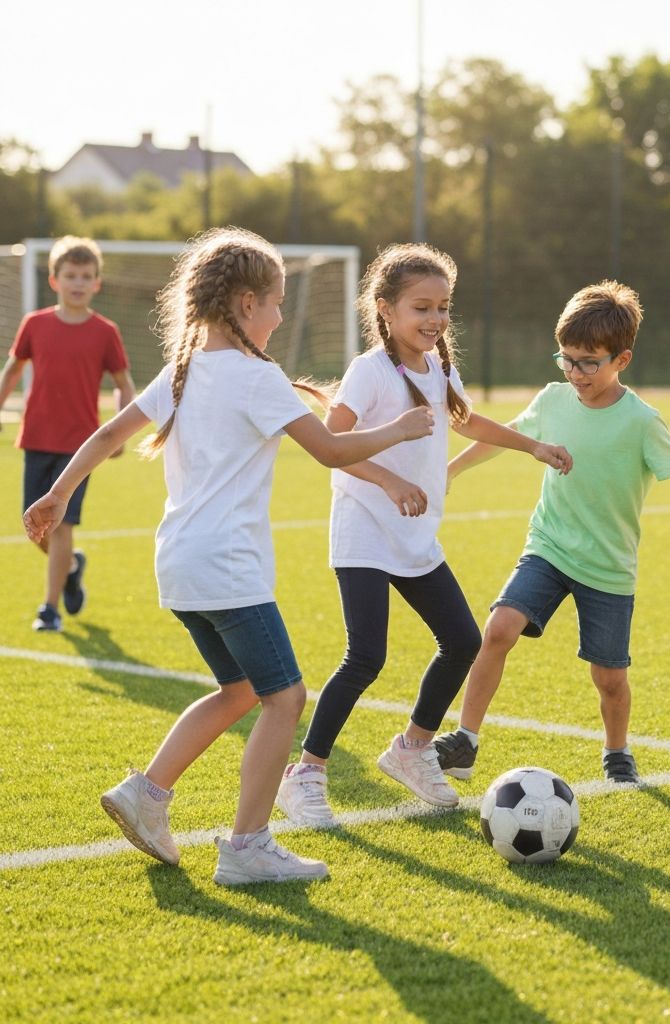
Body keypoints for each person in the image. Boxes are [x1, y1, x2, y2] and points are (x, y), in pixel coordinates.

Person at [23, 228, 433, 884]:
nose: (279, 315)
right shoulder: (254, 375)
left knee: (240, 689)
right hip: (227, 566)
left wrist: (57, 492)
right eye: (275, 302)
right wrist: (401, 428)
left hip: (180, 565)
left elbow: (107, 432)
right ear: (246, 304)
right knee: (285, 698)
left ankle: (146, 795)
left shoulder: (185, 370)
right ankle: (247, 847)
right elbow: (330, 451)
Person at [275, 243, 574, 827]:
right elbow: (333, 448)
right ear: (385, 309)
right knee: (365, 655)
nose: (435, 320)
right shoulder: (370, 371)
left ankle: (412, 748)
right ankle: (305, 773)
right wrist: (387, 473)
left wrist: (532, 445)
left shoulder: (438, 363)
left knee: (462, 641)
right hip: (364, 530)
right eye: (421, 308)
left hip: (415, 535)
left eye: (443, 307)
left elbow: (465, 418)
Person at [431, 280, 670, 787]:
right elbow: (506, 438)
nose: (575, 372)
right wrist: (451, 471)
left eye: (588, 362)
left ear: (621, 359)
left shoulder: (642, 422)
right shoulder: (554, 398)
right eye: (566, 358)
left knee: (609, 678)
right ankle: (466, 741)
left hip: (608, 566)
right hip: (550, 546)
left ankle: (617, 750)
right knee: (498, 629)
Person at [0, 236, 136, 633]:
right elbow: (11, 371)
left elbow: (124, 384)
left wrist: (120, 432)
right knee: (35, 524)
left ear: (97, 283)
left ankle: (49, 608)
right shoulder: (35, 324)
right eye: (71, 275)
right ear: (54, 279)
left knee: (60, 525)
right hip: (36, 438)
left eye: (86, 276)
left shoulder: (105, 331)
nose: (78, 282)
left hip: (80, 446)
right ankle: (73, 565)